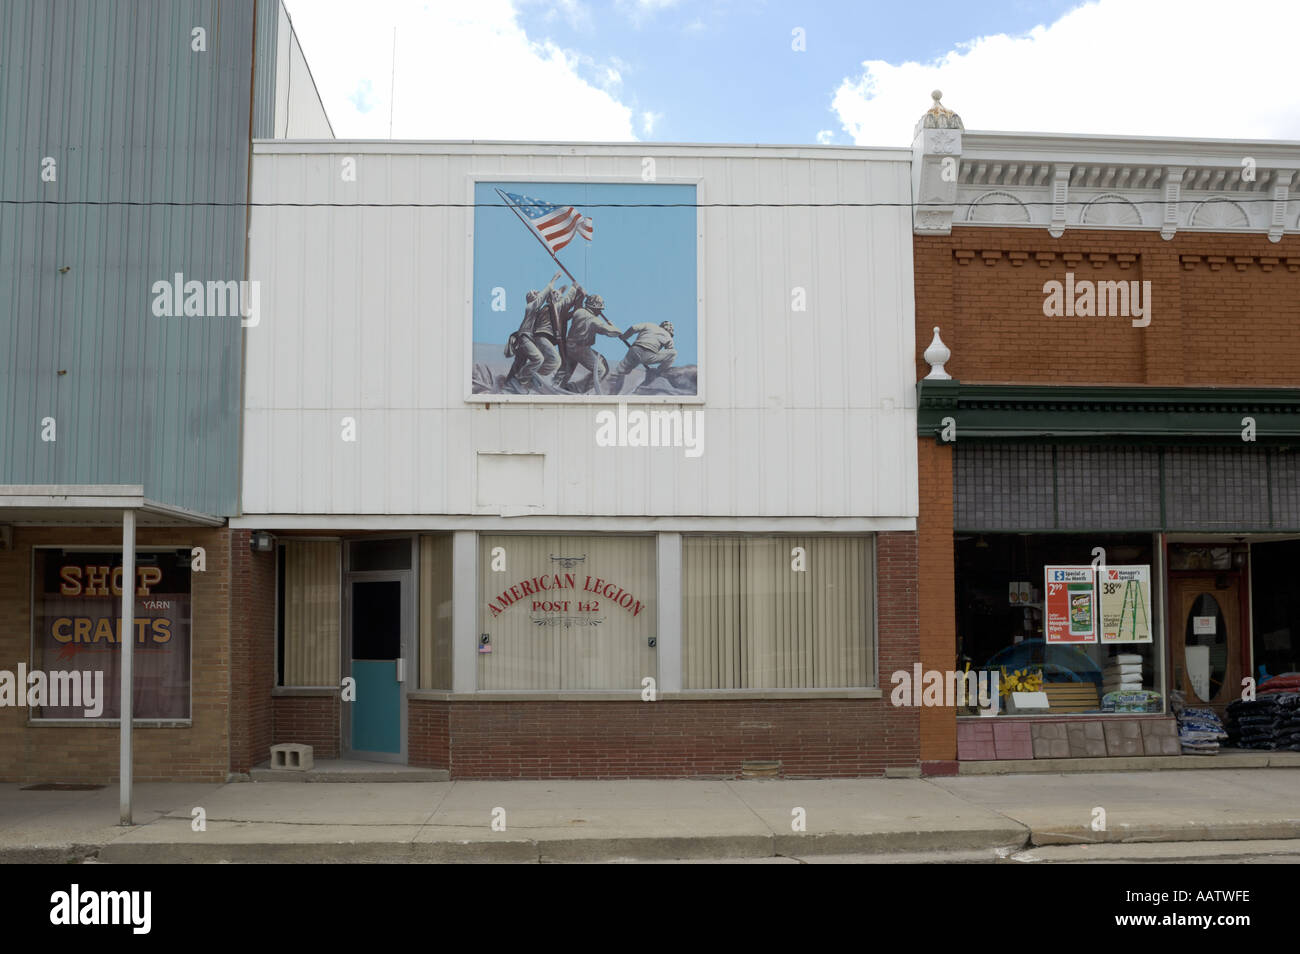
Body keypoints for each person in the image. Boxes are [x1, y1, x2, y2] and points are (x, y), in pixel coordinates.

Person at [503, 271, 564, 392]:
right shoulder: (531, 306)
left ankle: (513, 380)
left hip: (527, 339)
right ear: (531, 298)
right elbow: (546, 292)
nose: (538, 294)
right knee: (538, 359)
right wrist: (554, 278)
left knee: (519, 363)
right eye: (535, 293)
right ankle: (520, 379)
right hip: (525, 338)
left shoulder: (536, 310)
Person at [555, 293, 622, 394]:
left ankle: (557, 384)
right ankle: (575, 388)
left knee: (568, 369)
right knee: (601, 371)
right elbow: (611, 332)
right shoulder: (594, 321)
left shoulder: (579, 311)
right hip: (580, 349)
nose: (600, 311)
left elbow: (578, 304)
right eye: (599, 309)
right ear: (594, 307)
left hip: (569, 346)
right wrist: (615, 328)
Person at [606, 321, 677, 394]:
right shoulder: (668, 336)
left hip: (634, 351)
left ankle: (611, 392)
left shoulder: (650, 325)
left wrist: (624, 337)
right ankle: (659, 371)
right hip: (649, 355)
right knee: (673, 353)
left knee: (620, 372)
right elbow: (670, 350)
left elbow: (633, 328)